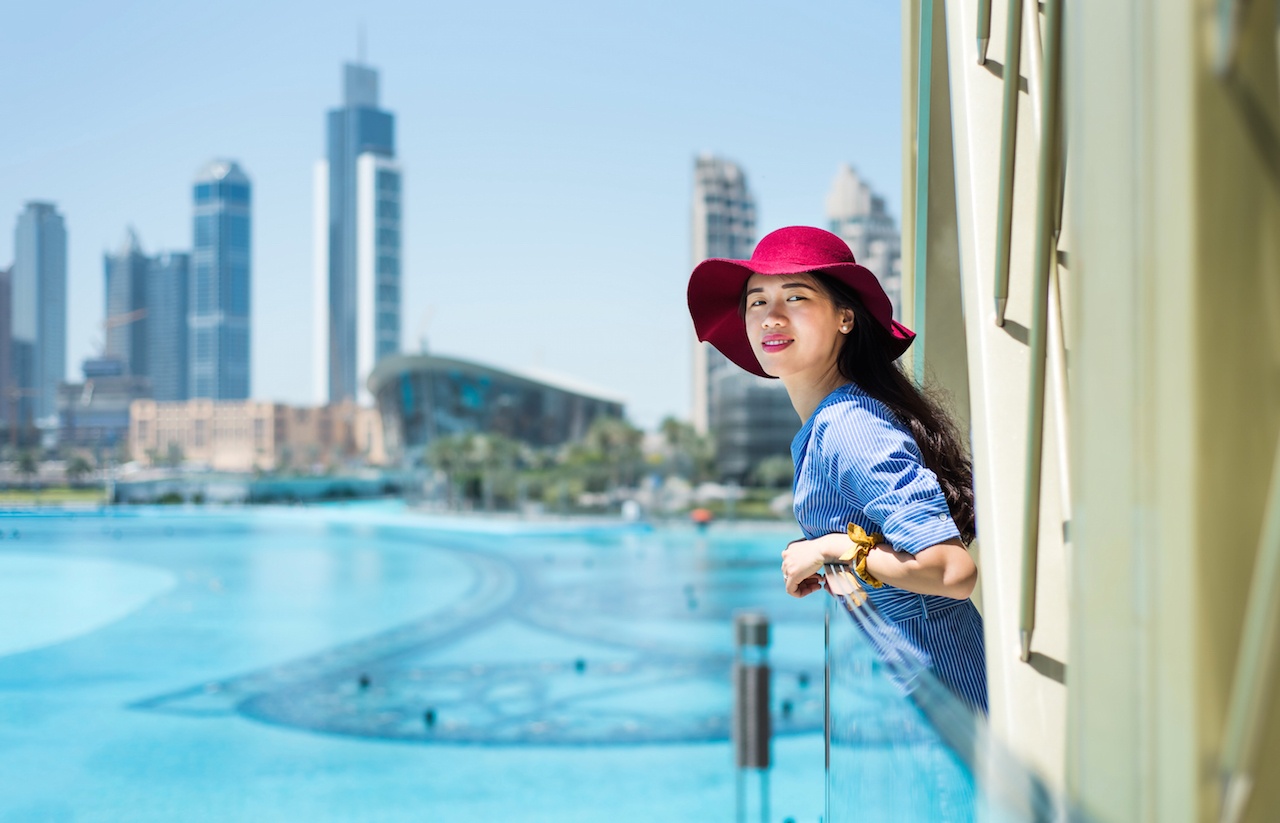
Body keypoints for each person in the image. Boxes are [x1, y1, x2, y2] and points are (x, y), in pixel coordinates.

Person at [686, 225, 987, 713]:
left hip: (948, 708)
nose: (771, 316)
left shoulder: (851, 426)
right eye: (757, 301)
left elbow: (952, 571)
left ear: (845, 318)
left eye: (797, 297)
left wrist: (832, 546)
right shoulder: (831, 421)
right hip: (917, 707)